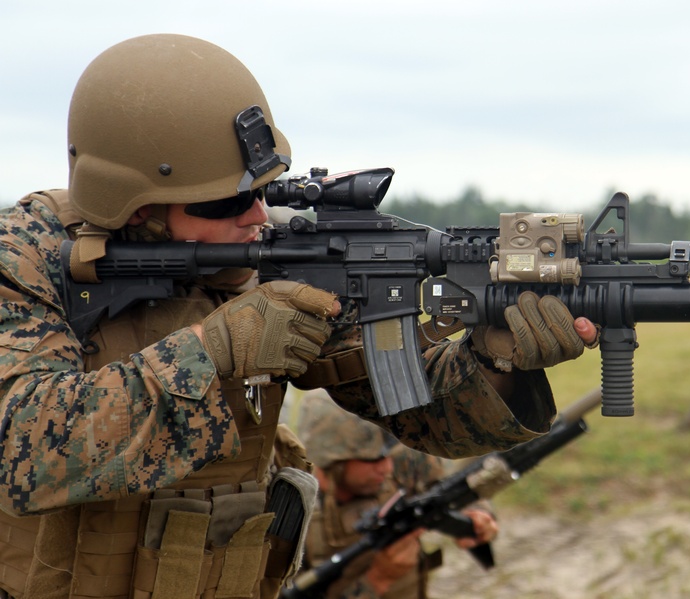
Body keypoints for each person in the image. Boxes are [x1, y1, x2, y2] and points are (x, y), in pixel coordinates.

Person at [0, 34, 596, 599]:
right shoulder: (28, 259)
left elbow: (424, 415)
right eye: (227, 199)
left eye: (264, 189)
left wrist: (495, 358)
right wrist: (211, 352)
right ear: (133, 205)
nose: (258, 214)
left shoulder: (281, 259)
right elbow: (23, 453)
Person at [298, 390, 497, 598]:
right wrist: (378, 578)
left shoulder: (402, 461)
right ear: (331, 461)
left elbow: (449, 488)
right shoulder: (294, 514)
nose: (386, 467)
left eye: (387, 455)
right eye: (372, 460)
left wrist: (476, 515)